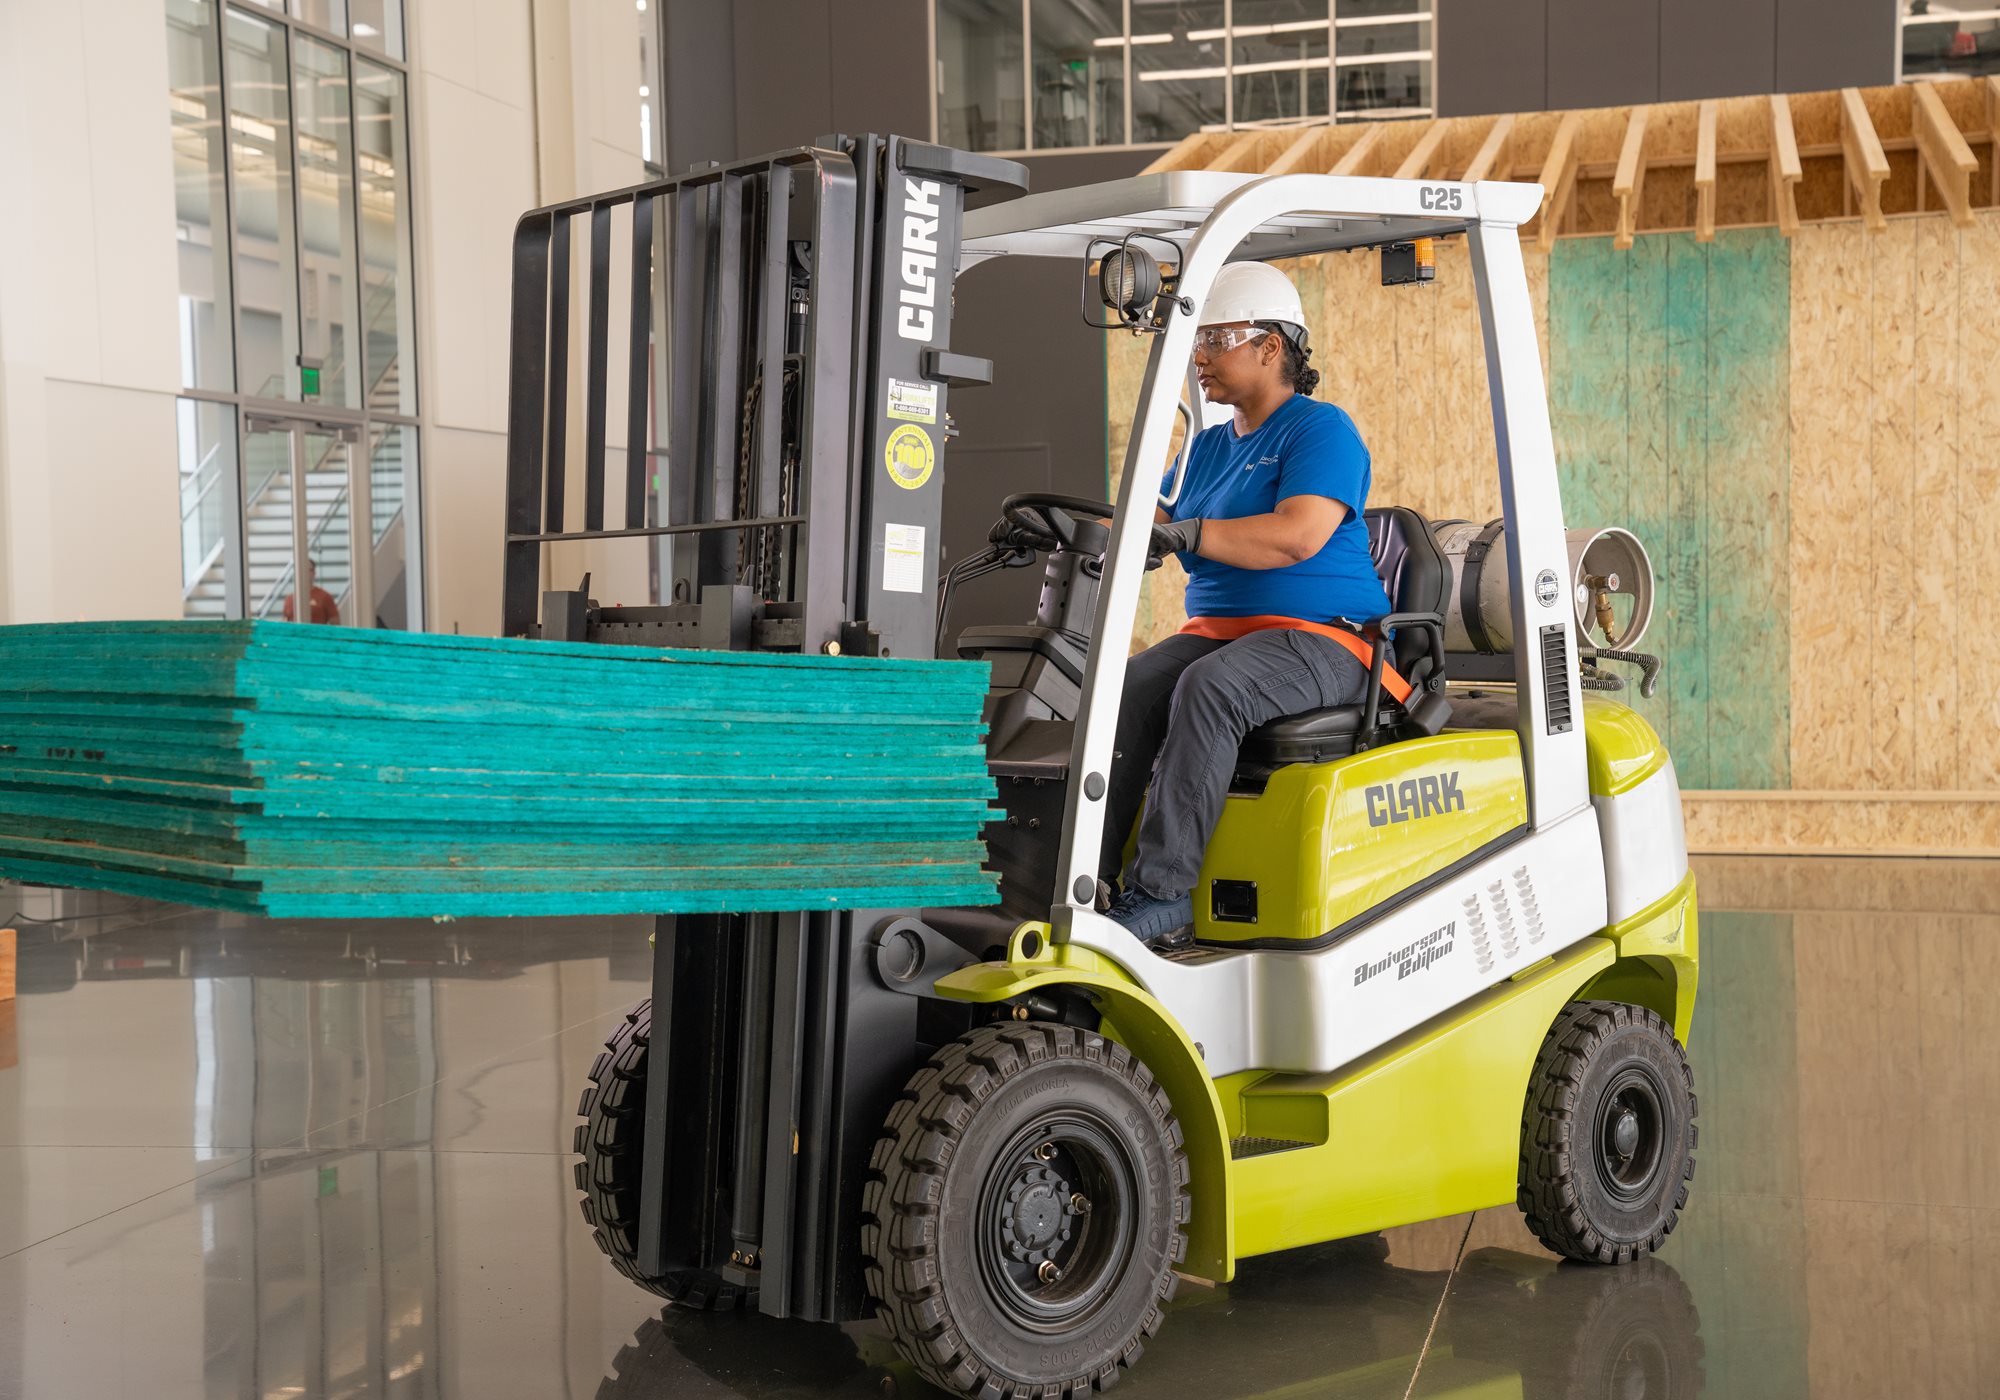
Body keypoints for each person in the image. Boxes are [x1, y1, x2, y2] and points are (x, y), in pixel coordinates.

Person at [1100, 262, 1393, 951]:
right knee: (1129, 687)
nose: (1200, 355)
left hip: (1325, 640)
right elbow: (1156, 517)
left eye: (1217, 338)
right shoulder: (1203, 448)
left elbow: (1297, 536)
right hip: (1221, 632)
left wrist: (1189, 533)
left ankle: (1163, 896)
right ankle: (1088, 875)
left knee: (1212, 688)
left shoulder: (1319, 431)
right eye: (1196, 341)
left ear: (1271, 347)